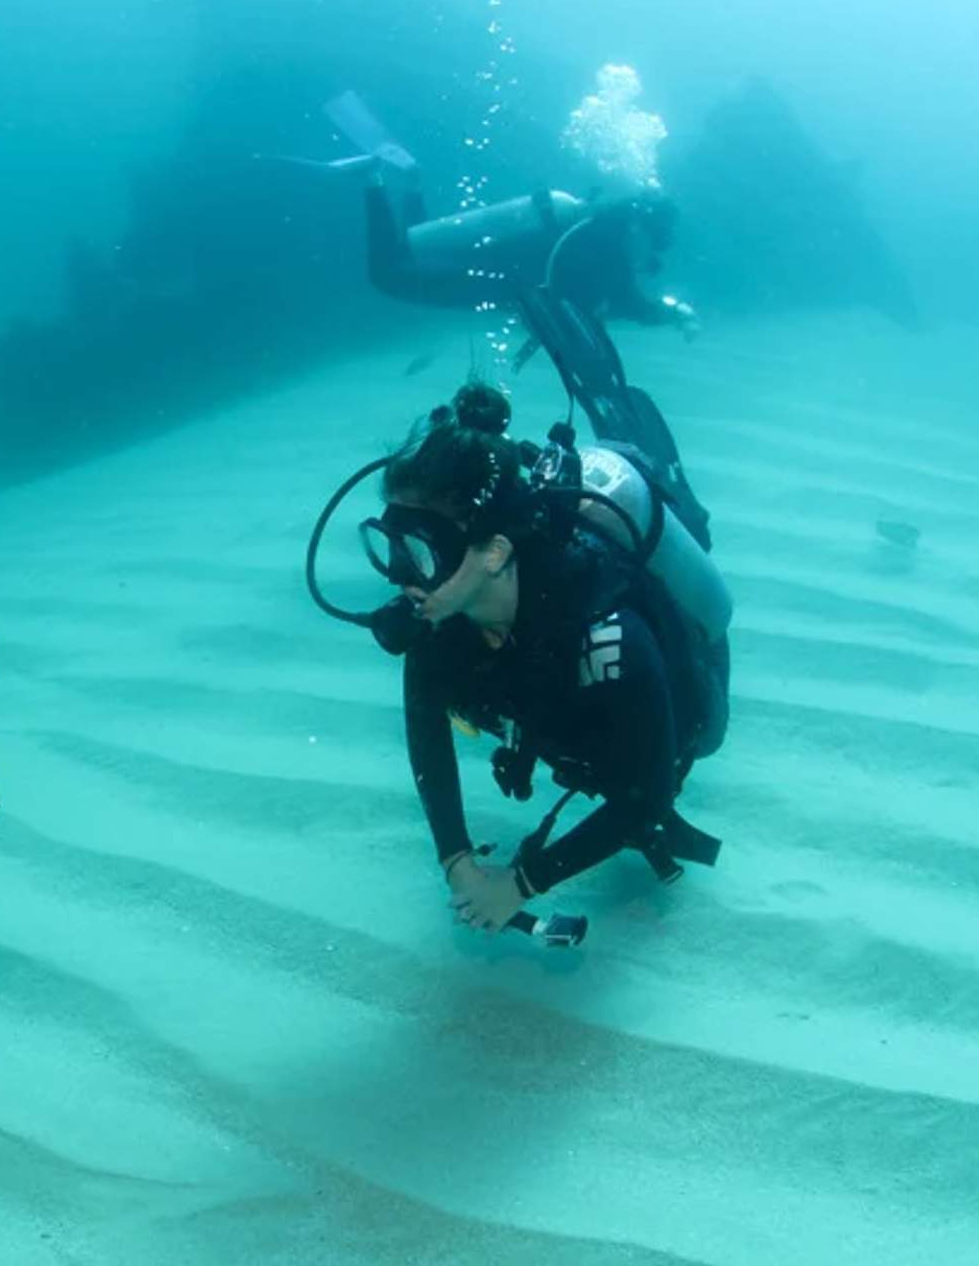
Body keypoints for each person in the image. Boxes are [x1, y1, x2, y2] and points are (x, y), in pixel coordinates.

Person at [362, 382, 727, 932]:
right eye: (390, 546)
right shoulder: (439, 621)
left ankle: (657, 471)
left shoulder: (606, 633)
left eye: (418, 551)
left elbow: (646, 795)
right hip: (549, 711)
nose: (399, 575)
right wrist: (456, 860)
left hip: (663, 724)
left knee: (659, 758)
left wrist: (521, 884)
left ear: (494, 552)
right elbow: (426, 728)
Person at [289, 92, 699, 337]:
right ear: (642, 227)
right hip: (489, 279)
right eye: (656, 239)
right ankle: (373, 180)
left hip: (488, 264)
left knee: (416, 245)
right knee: (389, 275)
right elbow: (626, 303)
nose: (653, 254)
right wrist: (674, 313)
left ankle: (409, 184)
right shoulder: (605, 247)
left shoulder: (589, 222)